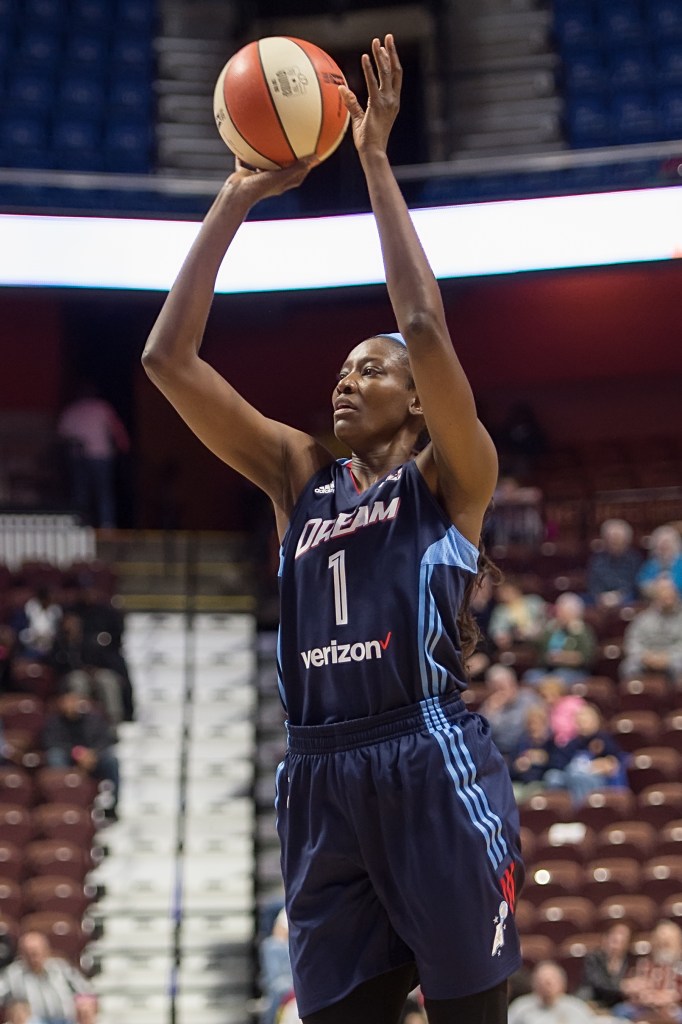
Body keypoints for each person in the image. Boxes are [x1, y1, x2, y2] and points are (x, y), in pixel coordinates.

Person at [143, 34, 523, 1024]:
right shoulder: (298, 476)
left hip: (425, 755)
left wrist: (375, 163)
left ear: (415, 397)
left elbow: (426, 326)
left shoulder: (454, 476)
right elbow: (167, 360)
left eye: (371, 367)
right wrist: (237, 195)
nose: (346, 378)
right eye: (342, 368)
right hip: (317, 767)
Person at [56, 381, 130, 530]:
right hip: (100, 455)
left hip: (82, 456)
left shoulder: (74, 409)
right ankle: (106, 525)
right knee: (102, 492)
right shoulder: (101, 407)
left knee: (82, 492)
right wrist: (124, 446)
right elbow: (117, 429)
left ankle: (81, 525)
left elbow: (62, 434)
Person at [41, 686, 120, 820]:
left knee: (111, 760)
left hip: (93, 758)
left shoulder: (94, 719)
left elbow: (106, 740)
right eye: (68, 701)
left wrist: (92, 754)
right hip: (68, 758)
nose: (71, 704)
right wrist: (77, 754)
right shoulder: (54, 721)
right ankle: (64, 796)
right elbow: (50, 742)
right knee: (55, 756)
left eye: (74, 700)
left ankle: (112, 805)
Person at [0, 931, 96, 1024]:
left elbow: (86, 990)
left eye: (35, 953)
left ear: (46, 951)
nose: (33, 958)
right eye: (28, 954)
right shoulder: (13, 975)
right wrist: (13, 1010)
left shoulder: (61, 968)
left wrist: (84, 1004)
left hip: (66, 1020)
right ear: (21, 954)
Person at [543, 703, 628, 806]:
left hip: (597, 778)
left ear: (595, 721)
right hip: (572, 775)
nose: (581, 724)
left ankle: (582, 810)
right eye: (579, 721)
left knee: (579, 776)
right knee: (552, 777)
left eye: (585, 721)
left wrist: (605, 763)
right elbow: (558, 762)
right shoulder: (573, 743)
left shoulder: (603, 739)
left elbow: (615, 760)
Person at [613, 919, 682, 1022]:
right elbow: (632, 988)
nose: (662, 947)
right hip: (644, 1008)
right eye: (659, 943)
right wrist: (639, 993)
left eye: (667, 943)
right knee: (620, 1011)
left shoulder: (679, 966)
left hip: (672, 1009)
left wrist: (668, 997)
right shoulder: (644, 963)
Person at [619, 577, 682, 688]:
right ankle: (636, 698)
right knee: (629, 667)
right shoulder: (643, 619)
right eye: (664, 597)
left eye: (670, 597)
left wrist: (667, 657)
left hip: (673, 657)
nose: (667, 600)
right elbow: (632, 642)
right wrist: (645, 656)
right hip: (646, 656)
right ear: (656, 599)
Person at [525, 593, 597, 686]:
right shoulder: (551, 628)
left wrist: (564, 658)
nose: (559, 614)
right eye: (559, 611)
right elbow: (540, 650)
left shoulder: (582, 631)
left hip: (572, 672)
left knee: (559, 678)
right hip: (547, 669)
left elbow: (587, 657)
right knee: (531, 676)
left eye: (563, 611)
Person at [478, 663, 543, 763]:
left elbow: (540, 728)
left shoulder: (529, 699)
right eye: (495, 689)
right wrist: (490, 712)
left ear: (513, 683)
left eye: (502, 687)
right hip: (497, 754)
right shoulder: (489, 706)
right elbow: (480, 735)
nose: (499, 692)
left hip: (524, 753)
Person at [507, 961, 596, 1024]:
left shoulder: (578, 1008)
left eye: (549, 982)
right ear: (534, 984)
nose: (546, 986)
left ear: (562, 983)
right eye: (541, 981)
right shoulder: (519, 1008)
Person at [576, 921, 632, 1010]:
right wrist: (621, 986)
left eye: (621, 942)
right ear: (605, 940)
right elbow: (597, 983)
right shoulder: (593, 958)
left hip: (617, 1001)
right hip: (594, 997)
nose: (616, 947)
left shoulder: (629, 961)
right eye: (614, 941)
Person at [587, 519, 642, 608]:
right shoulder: (597, 559)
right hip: (601, 598)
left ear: (626, 541)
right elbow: (593, 584)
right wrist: (602, 597)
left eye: (618, 540)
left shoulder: (634, 559)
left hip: (626, 597)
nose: (615, 542)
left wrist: (618, 596)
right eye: (612, 540)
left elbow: (634, 584)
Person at [637, 524, 682, 598]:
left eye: (667, 545)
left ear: (675, 545)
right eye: (661, 546)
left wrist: (669, 587)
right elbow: (641, 582)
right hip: (655, 602)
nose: (664, 548)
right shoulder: (650, 564)